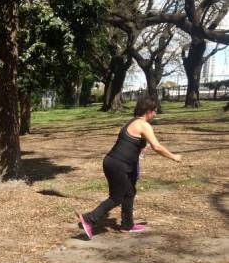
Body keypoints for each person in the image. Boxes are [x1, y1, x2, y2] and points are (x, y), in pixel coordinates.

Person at [77, 96, 182, 240]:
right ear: (149, 111)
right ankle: (89, 218)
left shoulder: (132, 122)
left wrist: (140, 150)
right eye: (155, 111)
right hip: (118, 165)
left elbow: (130, 144)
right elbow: (157, 146)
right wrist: (173, 156)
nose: (155, 114)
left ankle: (127, 225)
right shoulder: (144, 125)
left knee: (129, 192)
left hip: (114, 162)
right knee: (116, 197)